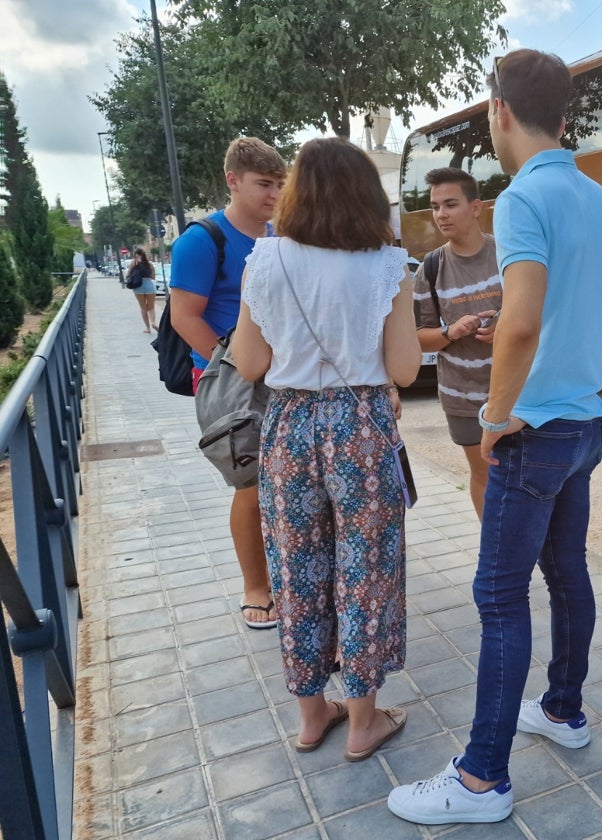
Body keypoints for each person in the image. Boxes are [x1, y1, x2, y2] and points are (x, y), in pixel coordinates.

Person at [388, 48, 602, 825]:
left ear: (499, 112)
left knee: (498, 594)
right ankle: (563, 710)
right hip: (586, 420)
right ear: (564, 114)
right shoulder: (597, 198)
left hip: (536, 427)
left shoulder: (525, 199)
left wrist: (493, 419)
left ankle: (481, 777)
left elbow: (518, 323)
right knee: (566, 574)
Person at [230, 137, 422, 761]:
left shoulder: (266, 259)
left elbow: (250, 361)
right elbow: (404, 368)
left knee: (298, 569)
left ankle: (313, 716)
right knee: (366, 571)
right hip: (361, 425)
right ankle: (364, 721)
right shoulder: (388, 264)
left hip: (287, 427)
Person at [170, 137, 286, 630]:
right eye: (264, 184)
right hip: (231, 382)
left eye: (280, 185)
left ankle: (286, 575)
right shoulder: (201, 240)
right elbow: (183, 316)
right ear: (233, 180)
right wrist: (237, 359)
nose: (274, 194)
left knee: (285, 484)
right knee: (251, 485)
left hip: (281, 375)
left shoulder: (279, 236)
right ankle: (255, 587)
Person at [413, 167, 502, 519]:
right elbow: (420, 340)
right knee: (483, 476)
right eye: (435, 207)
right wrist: (452, 332)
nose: (441, 215)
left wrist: (506, 326)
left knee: (524, 479)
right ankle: (495, 554)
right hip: (462, 398)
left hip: (518, 392)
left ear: (476, 207)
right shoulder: (430, 268)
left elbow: (543, 315)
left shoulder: (510, 254)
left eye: (450, 204)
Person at [126, 248, 158, 333]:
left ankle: (148, 328)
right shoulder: (149, 264)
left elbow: (128, 274)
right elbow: (153, 277)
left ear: (135, 254)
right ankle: (153, 323)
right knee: (151, 307)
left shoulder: (134, 262)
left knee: (143, 308)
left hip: (138, 286)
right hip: (149, 285)